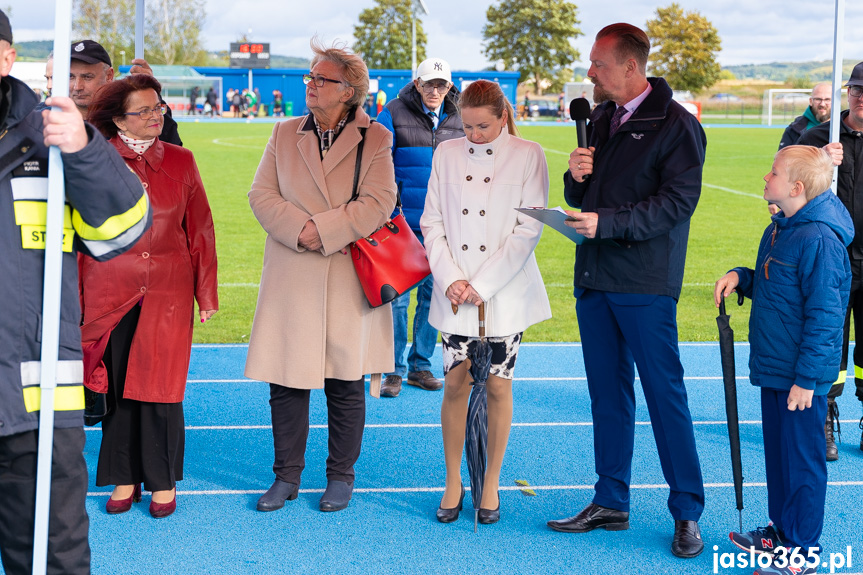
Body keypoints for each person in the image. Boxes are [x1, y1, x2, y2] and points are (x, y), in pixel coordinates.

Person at [0, 10, 151, 574]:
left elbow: (127, 229)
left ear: (9, 58)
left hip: (37, 405)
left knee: (52, 556)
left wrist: (85, 149)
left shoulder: (53, 135)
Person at [548, 23, 706, 559]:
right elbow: (590, 192)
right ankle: (610, 499)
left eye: (599, 64)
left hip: (644, 284)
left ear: (631, 66)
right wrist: (574, 179)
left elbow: (676, 204)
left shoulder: (677, 125)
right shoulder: (597, 118)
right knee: (606, 398)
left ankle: (687, 511)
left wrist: (606, 222)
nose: (590, 72)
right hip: (595, 280)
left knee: (666, 399)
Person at [246, 39, 397, 514]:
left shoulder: (375, 138)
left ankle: (340, 477)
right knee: (286, 382)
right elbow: (261, 195)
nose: (310, 85)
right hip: (292, 271)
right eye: (309, 77)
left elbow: (379, 202)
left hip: (346, 274)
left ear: (350, 90)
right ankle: (286, 477)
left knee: (345, 382)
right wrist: (302, 230)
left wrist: (323, 231)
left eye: (321, 78)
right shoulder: (282, 131)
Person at [80, 74, 218, 519]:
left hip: (168, 291)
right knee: (118, 387)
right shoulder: (93, 160)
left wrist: (206, 292)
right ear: (119, 119)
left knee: (161, 387)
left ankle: (161, 480)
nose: (156, 116)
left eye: (158, 107)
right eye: (143, 110)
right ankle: (124, 476)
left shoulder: (182, 161)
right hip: (109, 290)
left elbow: (200, 229)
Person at [714, 145, 851, 575]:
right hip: (775, 368)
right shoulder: (781, 228)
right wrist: (743, 278)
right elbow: (781, 289)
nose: (765, 178)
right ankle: (781, 533)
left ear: (795, 187)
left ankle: (803, 551)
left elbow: (827, 318)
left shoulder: (820, 241)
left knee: (802, 462)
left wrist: (808, 380)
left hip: (799, 377)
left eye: (772, 172)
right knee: (778, 456)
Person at [421, 79, 551, 524]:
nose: (473, 135)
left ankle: (491, 481)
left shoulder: (529, 154)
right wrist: (453, 278)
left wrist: (484, 284)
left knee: (497, 385)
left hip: (505, 294)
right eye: (467, 126)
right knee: (455, 383)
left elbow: (528, 229)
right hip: (455, 294)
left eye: (483, 127)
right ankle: (454, 480)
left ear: (502, 117)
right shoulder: (445, 153)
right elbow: (432, 222)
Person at [376, 57, 464, 398]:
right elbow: (376, 162)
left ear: (449, 87)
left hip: (443, 226)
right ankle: (393, 370)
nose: (435, 90)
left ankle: (420, 365)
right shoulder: (394, 112)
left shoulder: (459, 116)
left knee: (432, 298)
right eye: (429, 84)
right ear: (417, 84)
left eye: (441, 84)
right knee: (397, 300)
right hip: (401, 227)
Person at [798, 62, 863, 461]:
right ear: (849, 92)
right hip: (831, 260)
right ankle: (824, 417)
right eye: (857, 89)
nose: (862, 97)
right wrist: (820, 161)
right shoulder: (819, 136)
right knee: (828, 346)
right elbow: (787, 193)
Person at [68, 39, 182, 146]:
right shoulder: (52, 121)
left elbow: (171, 151)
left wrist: (151, 94)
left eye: (87, 77)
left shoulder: (128, 118)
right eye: (70, 76)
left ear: (109, 76)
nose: (77, 86)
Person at [779, 82, 831, 150]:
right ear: (810, 101)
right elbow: (782, 159)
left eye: (827, 99)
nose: (822, 104)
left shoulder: (844, 127)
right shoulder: (794, 129)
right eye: (818, 99)